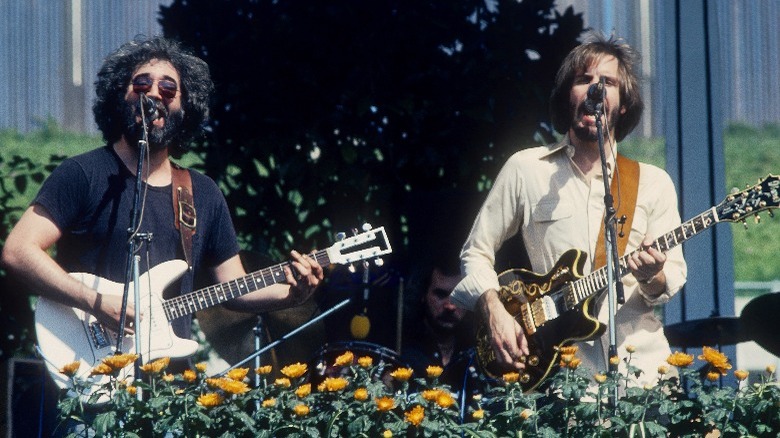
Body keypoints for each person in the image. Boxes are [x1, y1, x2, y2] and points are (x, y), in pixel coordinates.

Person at [0, 36, 323, 368]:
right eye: (142, 84)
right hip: (88, 370)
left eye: (169, 89)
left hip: (169, 386)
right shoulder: (83, 174)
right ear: (120, 94)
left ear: (184, 107)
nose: (154, 93)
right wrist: (96, 302)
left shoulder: (202, 193)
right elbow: (18, 250)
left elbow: (234, 288)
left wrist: (290, 295)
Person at [452, 33, 687, 386]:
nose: (595, 88)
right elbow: (475, 251)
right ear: (568, 95)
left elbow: (668, 281)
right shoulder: (527, 169)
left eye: (607, 82)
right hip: (559, 372)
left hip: (641, 373)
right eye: (584, 80)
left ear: (623, 104)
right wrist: (493, 309)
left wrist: (651, 274)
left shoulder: (653, 183)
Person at [401, 250, 475, 393]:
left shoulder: (475, 351)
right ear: (423, 294)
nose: (450, 306)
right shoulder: (403, 346)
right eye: (441, 295)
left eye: (459, 297)